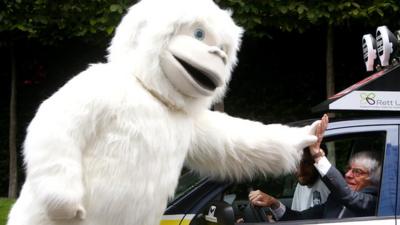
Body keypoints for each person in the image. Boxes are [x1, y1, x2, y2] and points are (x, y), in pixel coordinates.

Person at [249, 114, 382, 220]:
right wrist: (273, 203)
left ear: (373, 178)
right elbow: (300, 218)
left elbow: (347, 196)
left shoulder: (374, 202)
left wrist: (317, 155)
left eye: (357, 172)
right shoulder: (335, 199)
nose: (347, 175)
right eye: (348, 169)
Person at [291, 147, 330, 211]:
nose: (300, 171)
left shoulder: (328, 185)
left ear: (317, 161)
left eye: (306, 163)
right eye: (296, 164)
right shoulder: (300, 186)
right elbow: (296, 216)